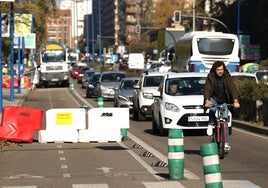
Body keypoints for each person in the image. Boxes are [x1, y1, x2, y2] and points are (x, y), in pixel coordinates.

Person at [204, 61, 240, 150]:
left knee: (225, 121)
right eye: (218, 69)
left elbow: (232, 88)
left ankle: (226, 143)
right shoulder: (211, 77)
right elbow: (207, 89)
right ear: (214, 70)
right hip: (214, 98)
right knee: (212, 109)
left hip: (224, 100)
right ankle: (210, 123)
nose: (220, 71)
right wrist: (207, 100)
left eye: (222, 69)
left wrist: (235, 101)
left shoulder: (227, 76)